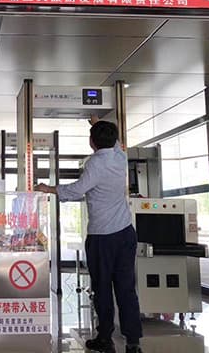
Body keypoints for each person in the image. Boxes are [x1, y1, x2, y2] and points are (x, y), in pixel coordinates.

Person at [34, 116, 142, 353]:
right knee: (126, 288)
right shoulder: (120, 157)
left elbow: (77, 190)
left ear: (91, 142)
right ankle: (133, 342)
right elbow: (115, 142)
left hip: (103, 236)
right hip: (126, 233)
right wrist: (97, 123)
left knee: (102, 288)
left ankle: (105, 338)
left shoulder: (95, 163)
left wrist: (48, 189)